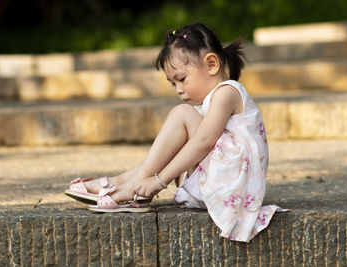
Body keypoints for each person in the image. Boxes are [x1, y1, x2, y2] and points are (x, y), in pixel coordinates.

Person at [65, 23, 286, 242]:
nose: (178, 89)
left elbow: (204, 142)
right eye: (173, 84)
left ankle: (136, 186)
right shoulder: (212, 101)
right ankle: (121, 180)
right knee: (179, 134)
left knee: (182, 114)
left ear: (211, 64)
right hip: (216, 185)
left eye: (181, 79)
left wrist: (160, 181)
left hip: (227, 186)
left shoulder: (227, 92)